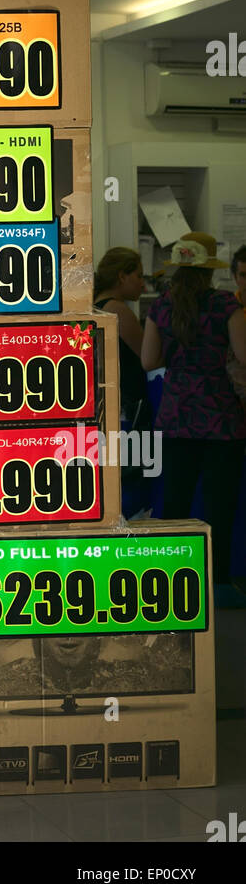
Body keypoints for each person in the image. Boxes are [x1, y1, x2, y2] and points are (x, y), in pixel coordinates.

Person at [141, 231, 246, 608]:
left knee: (175, 501)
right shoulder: (225, 306)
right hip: (221, 418)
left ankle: (171, 584)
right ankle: (216, 586)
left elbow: (148, 361)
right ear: (209, 269)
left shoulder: (161, 306)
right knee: (220, 506)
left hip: (175, 417)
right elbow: (244, 357)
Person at [93, 247, 151, 434]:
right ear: (122, 277)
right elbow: (148, 358)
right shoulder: (118, 311)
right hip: (128, 407)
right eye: (139, 276)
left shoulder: (95, 308)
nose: (143, 284)